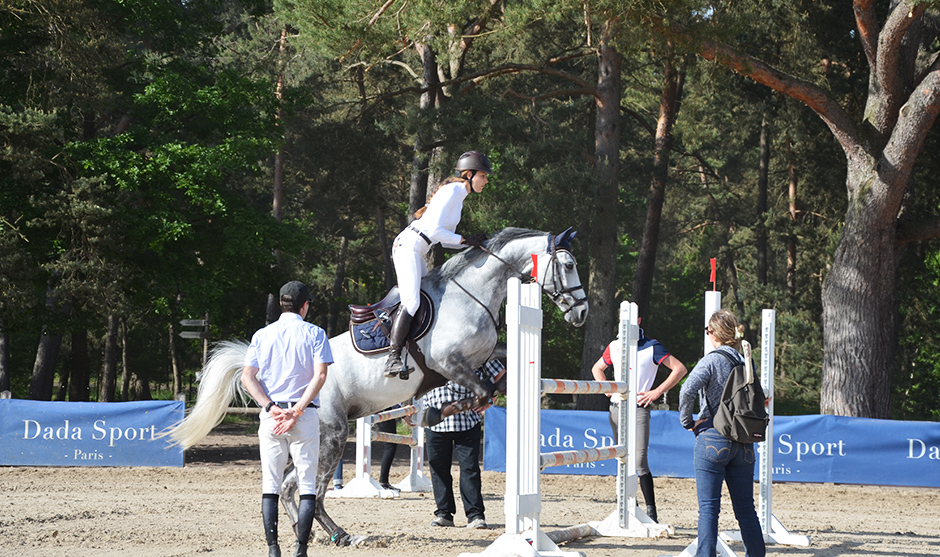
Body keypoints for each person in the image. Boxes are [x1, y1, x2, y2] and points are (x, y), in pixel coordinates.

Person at [240, 281, 332, 557]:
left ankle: (273, 548)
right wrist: (298, 410)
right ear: (304, 306)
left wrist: (269, 406)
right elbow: (321, 375)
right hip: (304, 416)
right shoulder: (315, 333)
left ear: (282, 304)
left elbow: (247, 377)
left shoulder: (261, 335)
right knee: (307, 485)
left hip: (272, 417)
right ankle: (301, 549)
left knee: (270, 485)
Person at [385, 151, 492, 377]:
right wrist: (464, 239)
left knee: (427, 297)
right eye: (483, 176)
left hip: (417, 248)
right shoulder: (451, 191)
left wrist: (472, 244)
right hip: (408, 246)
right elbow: (435, 231)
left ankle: (410, 350)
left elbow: (445, 241)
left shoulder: (459, 197)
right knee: (412, 302)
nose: (486, 181)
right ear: (469, 174)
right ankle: (392, 357)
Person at [678, 309, 765, 557]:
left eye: (708, 331)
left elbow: (687, 390)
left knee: (708, 509)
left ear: (714, 333)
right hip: (744, 440)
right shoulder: (747, 361)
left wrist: (687, 421)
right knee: (746, 509)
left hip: (714, 436)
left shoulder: (711, 360)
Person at [590, 316, 687, 523]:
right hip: (616, 408)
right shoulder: (614, 346)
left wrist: (657, 391)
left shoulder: (652, 346)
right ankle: (629, 506)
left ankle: (651, 511)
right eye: (622, 319)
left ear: (639, 320)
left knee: (640, 460)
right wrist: (606, 388)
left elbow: (680, 369)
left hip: (639, 408)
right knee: (621, 458)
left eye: (631, 318)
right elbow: (597, 368)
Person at [421, 359, 505, 529]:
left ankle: (475, 515)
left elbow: (503, 376)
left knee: (470, 470)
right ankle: (444, 514)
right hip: (434, 421)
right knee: (438, 470)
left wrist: (491, 398)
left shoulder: (476, 351)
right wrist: (408, 408)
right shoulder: (426, 350)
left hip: (468, 421)